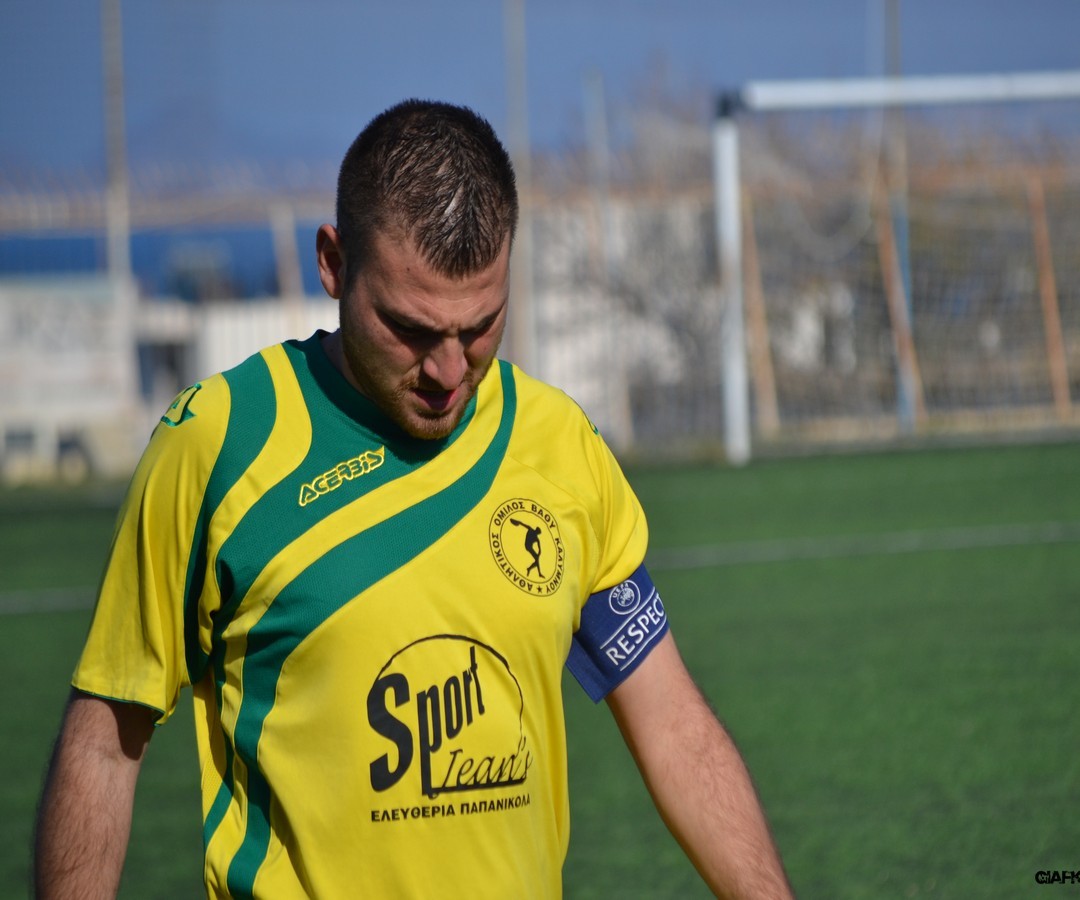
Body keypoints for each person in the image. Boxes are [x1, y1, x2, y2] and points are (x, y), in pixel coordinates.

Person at [34, 99, 793, 900]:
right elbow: (103, 743)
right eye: (411, 329)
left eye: (480, 326)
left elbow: (673, 725)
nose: (448, 371)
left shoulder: (561, 446)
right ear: (334, 264)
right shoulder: (218, 445)